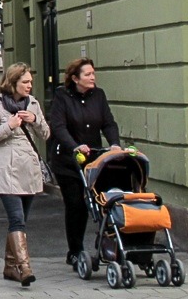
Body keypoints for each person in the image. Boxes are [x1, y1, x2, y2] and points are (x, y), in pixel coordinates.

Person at [0, 62, 50, 286]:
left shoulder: (33, 104)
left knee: (21, 221)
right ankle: (24, 267)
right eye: (25, 82)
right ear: (13, 83)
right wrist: (9, 126)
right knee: (16, 219)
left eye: (31, 82)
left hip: (28, 169)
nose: (29, 86)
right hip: (6, 170)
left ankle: (10, 266)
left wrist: (35, 120)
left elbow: (46, 134)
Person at [48, 58, 121, 269]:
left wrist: (114, 144)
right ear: (75, 78)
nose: (92, 77)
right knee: (76, 205)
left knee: (105, 201)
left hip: (93, 160)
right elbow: (59, 127)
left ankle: (109, 244)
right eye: (88, 74)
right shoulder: (62, 96)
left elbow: (108, 122)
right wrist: (74, 146)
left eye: (93, 74)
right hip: (67, 161)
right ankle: (75, 250)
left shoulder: (98, 95)